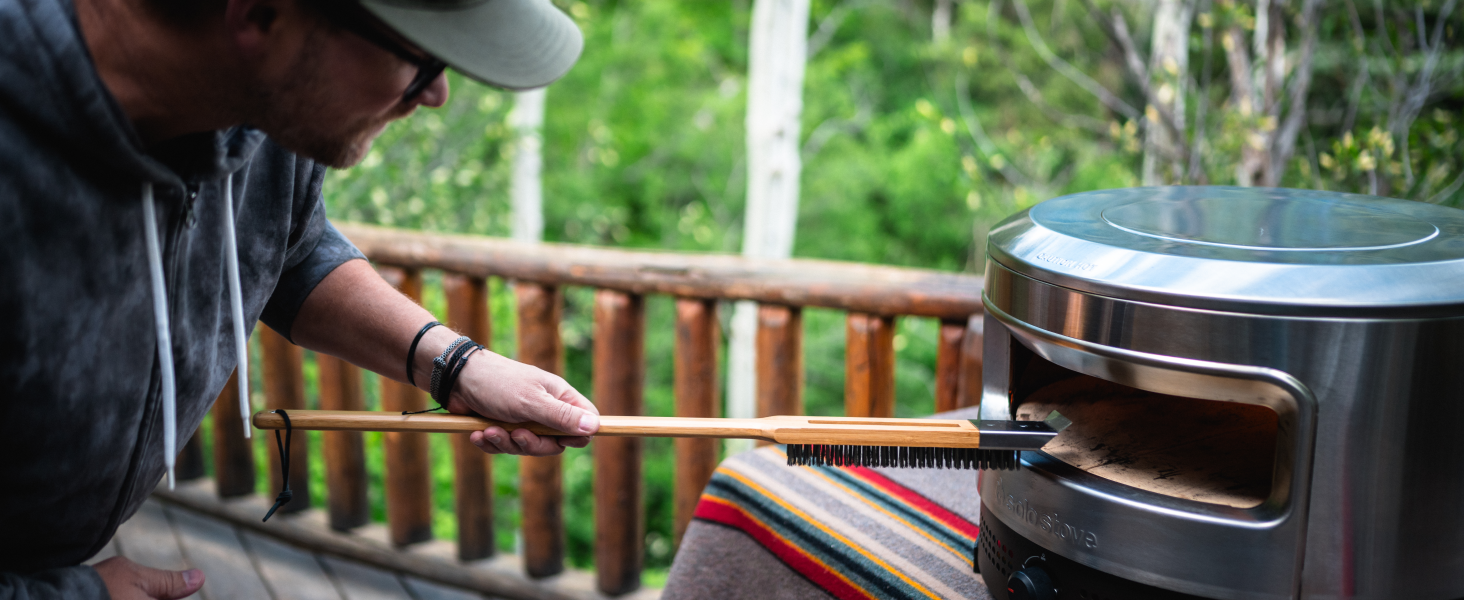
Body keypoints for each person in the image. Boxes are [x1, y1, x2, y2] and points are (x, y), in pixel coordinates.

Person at [0, 0, 597, 597]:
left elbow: (286, 246)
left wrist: (457, 365)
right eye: (420, 59)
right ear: (260, 13)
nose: (436, 93)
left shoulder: (259, 109)